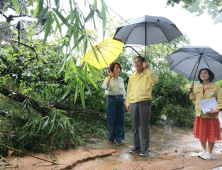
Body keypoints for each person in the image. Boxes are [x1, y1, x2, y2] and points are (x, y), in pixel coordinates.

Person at [126, 55, 159, 157]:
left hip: (145, 102)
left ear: (143, 63)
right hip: (133, 102)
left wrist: (148, 69)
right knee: (134, 125)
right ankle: (137, 146)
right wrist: (127, 102)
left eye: (139, 62)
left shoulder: (148, 74)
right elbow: (129, 90)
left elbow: (155, 80)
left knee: (144, 126)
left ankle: (145, 149)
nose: (137, 64)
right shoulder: (132, 76)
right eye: (135, 62)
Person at [189, 68, 222, 160]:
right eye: (201, 73)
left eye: (205, 73)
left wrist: (218, 110)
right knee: (201, 133)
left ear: (209, 75)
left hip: (211, 115)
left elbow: (220, 100)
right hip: (200, 114)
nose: (202, 75)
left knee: (211, 134)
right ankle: (204, 150)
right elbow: (193, 98)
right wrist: (191, 90)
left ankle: (210, 153)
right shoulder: (198, 86)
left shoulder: (216, 87)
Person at [102, 62, 126, 146]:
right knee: (111, 120)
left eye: (119, 68)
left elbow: (123, 91)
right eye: (116, 68)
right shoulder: (107, 78)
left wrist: (125, 101)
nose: (118, 69)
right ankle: (111, 138)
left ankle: (119, 138)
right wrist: (110, 77)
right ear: (112, 69)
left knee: (121, 120)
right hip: (111, 100)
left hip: (120, 99)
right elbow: (104, 87)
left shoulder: (121, 79)